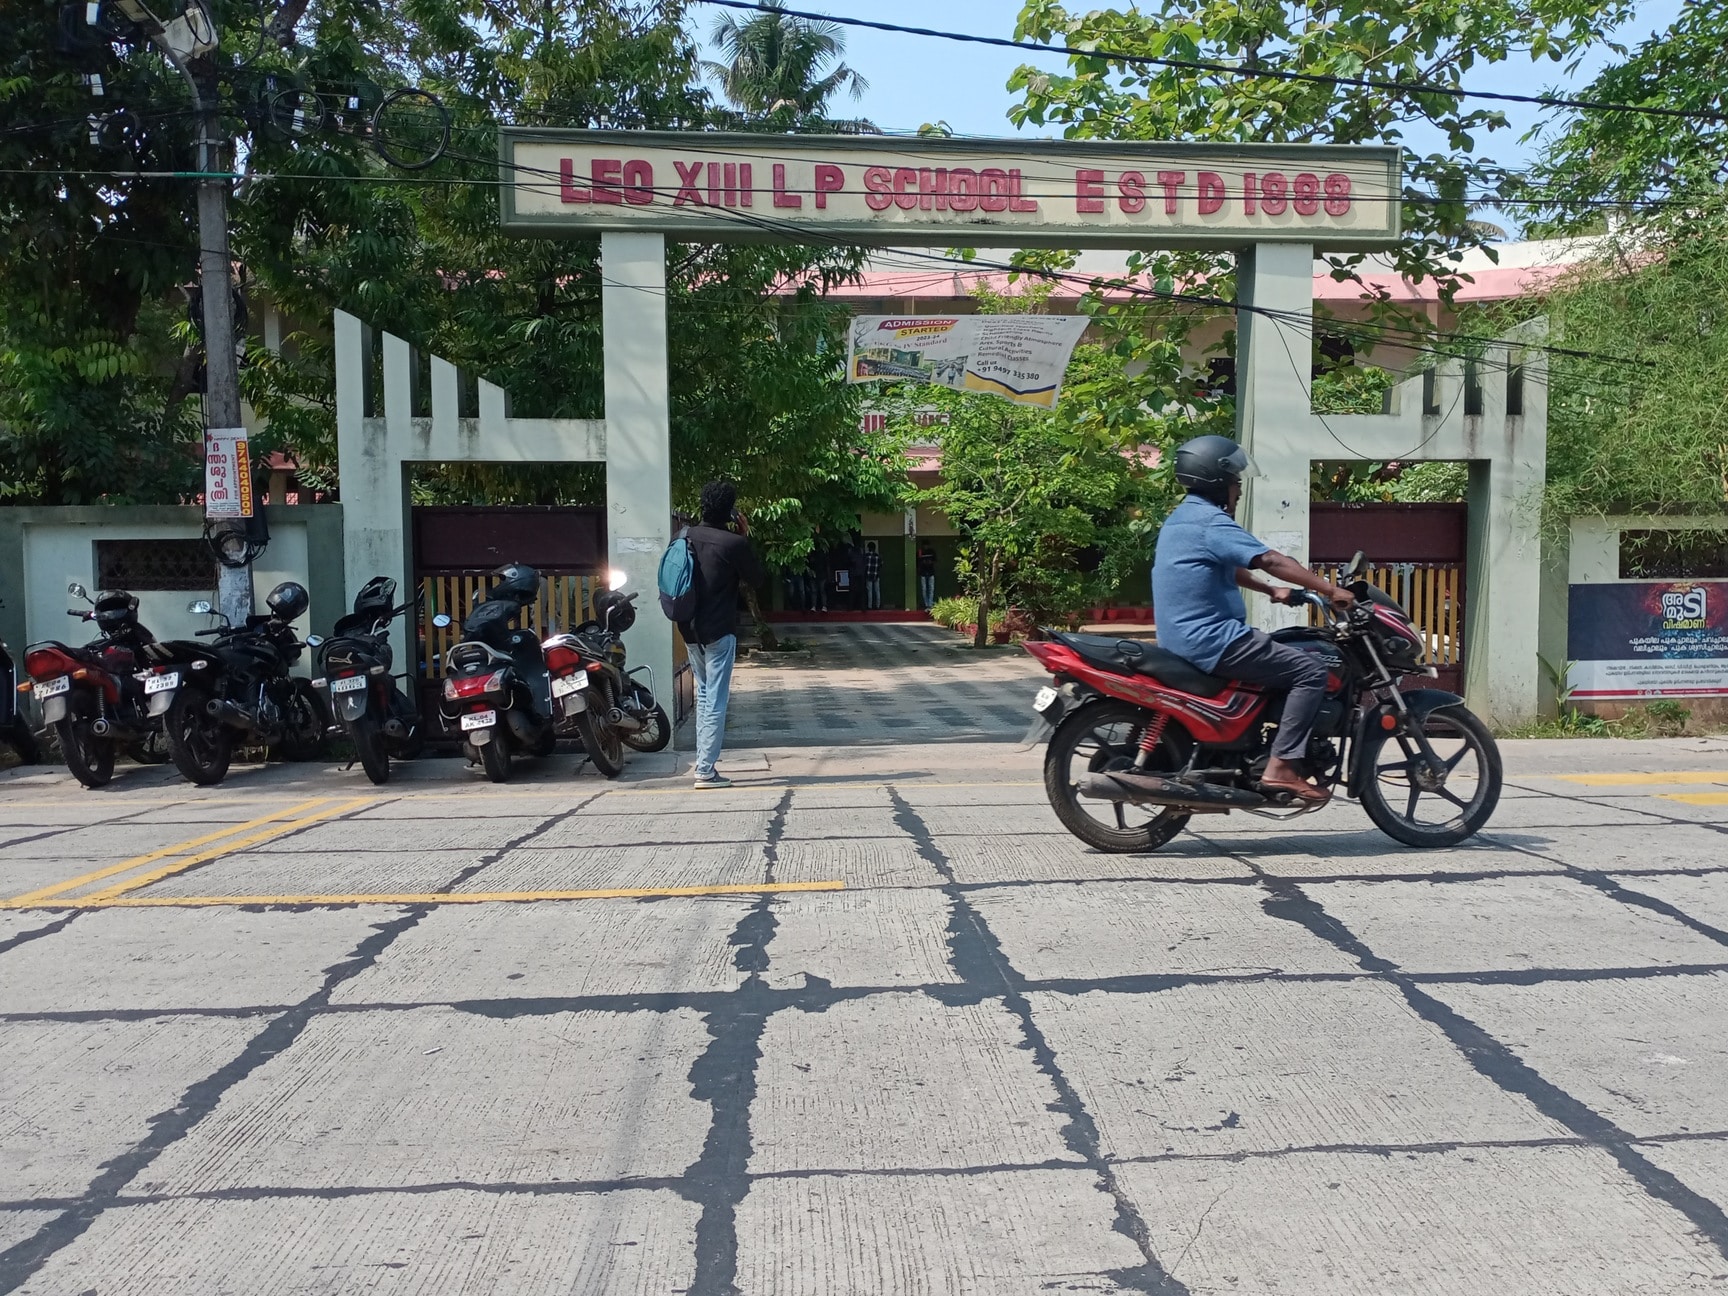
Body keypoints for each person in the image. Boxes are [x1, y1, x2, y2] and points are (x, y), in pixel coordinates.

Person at [1151, 434, 1355, 803]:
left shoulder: (1184, 518)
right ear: (1216, 479)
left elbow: (1226, 566)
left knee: (1280, 657)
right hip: (1213, 639)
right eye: (1235, 480)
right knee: (1310, 672)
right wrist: (1330, 590)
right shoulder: (1211, 522)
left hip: (1187, 637)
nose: (1239, 488)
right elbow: (1273, 560)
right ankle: (1281, 768)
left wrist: (1270, 591)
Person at [679, 481, 765, 789]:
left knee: (703, 695)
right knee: (715, 698)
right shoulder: (733, 544)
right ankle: (705, 770)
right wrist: (743, 537)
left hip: (689, 629)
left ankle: (703, 762)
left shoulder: (684, 537)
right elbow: (757, 579)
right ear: (730, 511)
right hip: (719, 631)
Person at [917, 542, 937, 610]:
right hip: (923, 572)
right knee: (924, 589)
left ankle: (930, 604)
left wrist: (930, 562)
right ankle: (926, 604)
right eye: (924, 545)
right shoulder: (920, 552)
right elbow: (918, 562)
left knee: (931, 588)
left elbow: (935, 560)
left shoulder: (932, 552)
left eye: (927, 545)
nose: (925, 546)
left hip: (931, 572)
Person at [863, 540, 883, 610]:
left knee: (869, 591)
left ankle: (870, 606)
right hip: (876, 575)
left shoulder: (866, 556)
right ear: (875, 548)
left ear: (868, 548)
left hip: (868, 576)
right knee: (877, 591)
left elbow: (864, 566)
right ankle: (878, 605)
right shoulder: (878, 556)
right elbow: (881, 565)